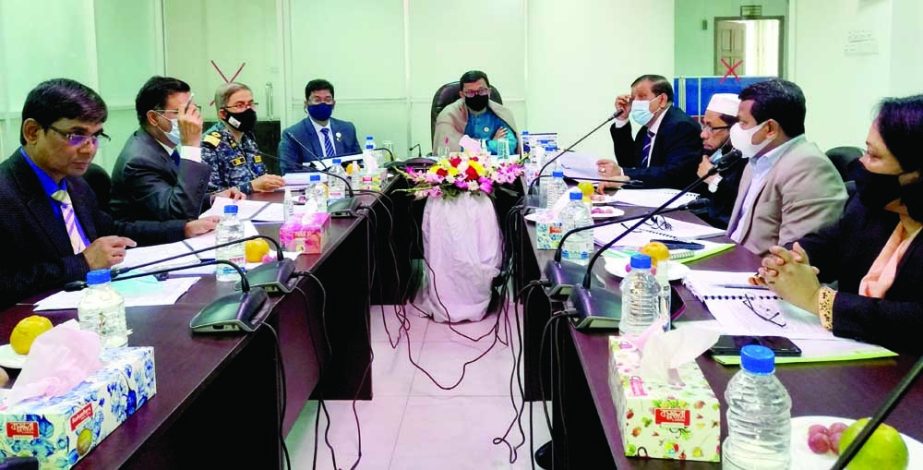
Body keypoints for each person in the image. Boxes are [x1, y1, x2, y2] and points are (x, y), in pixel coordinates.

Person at [0, 79, 218, 308]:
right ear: (33, 132)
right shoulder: (6, 195)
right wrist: (82, 263)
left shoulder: (76, 183)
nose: (89, 148)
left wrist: (182, 228)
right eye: (76, 135)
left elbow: (114, 230)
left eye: (96, 136)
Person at [756, 95, 923, 353]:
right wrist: (788, 260)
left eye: (874, 156)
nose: (861, 164)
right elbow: (829, 244)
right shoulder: (868, 206)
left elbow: (914, 321)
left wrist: (818, 300)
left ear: (916, 176)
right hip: (850, 358)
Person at [725, 79, 846, 256]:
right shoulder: (756, 159)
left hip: (760, 276)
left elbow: (795, 257)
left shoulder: (808, 166)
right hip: (732, 261)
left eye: (743, 123)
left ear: (770, 128)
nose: (737, 129)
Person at [110, 76, 244, 222]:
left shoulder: (160, 145)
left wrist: (213, 199)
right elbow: (178, 214)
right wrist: (191, 146)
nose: (192, 119)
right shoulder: (139, 160)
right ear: (154, 118)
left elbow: (178, 196)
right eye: (181, 112)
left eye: (193, 111)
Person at [597, 74, 702, 190]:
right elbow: (629, 162)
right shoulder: (647, 128)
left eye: (641, 97)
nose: (634, 103)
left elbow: (673, 174)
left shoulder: (682, 126)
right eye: (632, 98)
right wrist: (622, 119)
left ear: (662, 100)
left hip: (678, 200)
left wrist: (623, 173)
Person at [201, 82, 285, 194]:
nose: (248, 110)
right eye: (239, 105)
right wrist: (251, 187)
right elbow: (207, 197)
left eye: (251, 104)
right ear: (223, 114)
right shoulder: (209, 145)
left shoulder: (248, 138)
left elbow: (259, 176)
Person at [278, 79, 360, 173]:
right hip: (312, 186)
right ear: (306, 104)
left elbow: (358, 163)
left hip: (346, 185)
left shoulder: (347, 129)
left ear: (333, 104)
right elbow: (288, 171)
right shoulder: (293, 135)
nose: (323, 104)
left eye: (327, 100)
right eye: (317, 100)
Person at [433, 70, 518, 155]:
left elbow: (509, 146)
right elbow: (449, 148)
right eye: (470, 92)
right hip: (460, 167)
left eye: (481, 91)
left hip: (494, 166)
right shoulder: (450, 115)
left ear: (489, 92)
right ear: (462, 95)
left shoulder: (499, 113)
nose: (476, 95)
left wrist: (469, 144)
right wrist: (490, 143)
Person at [694, 93, 745, 229]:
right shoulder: (715, 152)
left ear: (735, 129)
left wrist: (713, 180)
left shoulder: (748, 159)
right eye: (704, 126)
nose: (703, 134)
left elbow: (740, 204)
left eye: (711, 127)